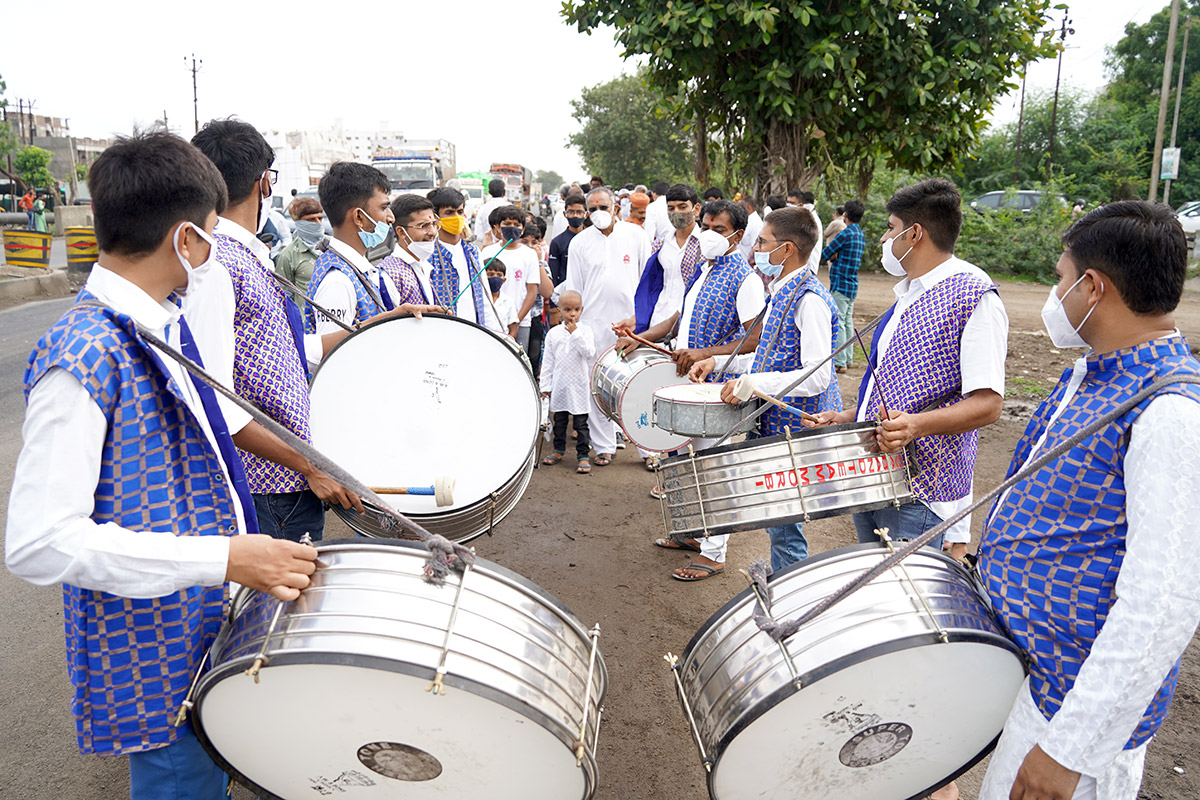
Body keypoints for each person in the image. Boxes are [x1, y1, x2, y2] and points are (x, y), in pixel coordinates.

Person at [5, 131, 320, 800]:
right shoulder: (84, 353)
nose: (214, 252)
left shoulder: (159, 325)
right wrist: (227, 558)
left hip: (199, 632)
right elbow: (38, 542)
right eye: (210, 235)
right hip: (154, 659)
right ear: (186, 241)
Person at [977, 200, 1200, 800]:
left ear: (1094, 287)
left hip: (1070, 707)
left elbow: (1162, 606)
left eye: (1060, 279)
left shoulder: (1170, 414)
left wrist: (1069, 751)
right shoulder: (1099, 373)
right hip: (1035, 673)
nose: (1056, 294)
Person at [806, 180, 1007, 566]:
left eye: (891, 228)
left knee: (904, 589)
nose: (885, 239)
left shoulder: (975, 296)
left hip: (920, 486)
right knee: (874, 582)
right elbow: (902, 383)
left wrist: (915, 426)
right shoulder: (910, 291)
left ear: (914, 234)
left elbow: (988, 404)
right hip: (875, 473)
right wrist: (850, 416)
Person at [190, 119, 362, 543]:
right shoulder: (217, 266)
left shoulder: (247, 256)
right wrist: (309, 466)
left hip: (288, 482)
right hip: (267, 487)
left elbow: (282, 352)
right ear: (264, 183)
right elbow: (214, 398)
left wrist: (376, 325)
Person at [687, 207, 840, 575]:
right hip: (773, 422)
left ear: (786, 250)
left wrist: (755, 385)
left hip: (796, 426)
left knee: (785, 523)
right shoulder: (781, 291)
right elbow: (767, 355)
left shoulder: (809, 300)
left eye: (762, 242)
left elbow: (817, 376)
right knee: (776, 518)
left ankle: (791, 594)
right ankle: (785, 587)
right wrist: (718, 363)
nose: (755, 249)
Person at [620, 198, 766, 510]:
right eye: (706, 227)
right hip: (687, 380)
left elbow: (755, 339)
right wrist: (640, 338)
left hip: (715, 390)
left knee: (710, 467)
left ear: (738, 235)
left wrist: (703, 353)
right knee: (684, 457)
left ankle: (716, 538)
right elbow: (678, 318)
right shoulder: (703, 269)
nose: (709, 234)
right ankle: (689, 523)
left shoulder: (746, 279)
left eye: (719, 229)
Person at [554, 186, 651, 465]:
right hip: (593, 324)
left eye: (603, 207)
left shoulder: (636, 235)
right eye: (593, 209)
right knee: (596, 386)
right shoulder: (580, 242)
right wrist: (573, 323)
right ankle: (603, 446)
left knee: (638, 384)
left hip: (631, 324)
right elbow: (574, 288)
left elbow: (647, 281)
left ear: (615, 207)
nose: (598, 213)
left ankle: (648, 450)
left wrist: (642, 320)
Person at [630, 183, 703, 469]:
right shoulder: (661, 242)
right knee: (656, 392)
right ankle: (658, 455)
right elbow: (651, 286)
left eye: (683, 207)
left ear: (696, 209)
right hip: (659, 323)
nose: (677, 213)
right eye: (671, 208)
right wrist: (638, 321)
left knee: (684, 395)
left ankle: (684, 463)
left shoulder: (704, 244)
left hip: (687, 327)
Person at [305, 162, 406, 334]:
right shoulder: (338, 283)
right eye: (384, 208)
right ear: (359, 217)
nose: (391, 217)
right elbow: (334, 348)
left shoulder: (354, 269)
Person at [540, 289, 596, 474]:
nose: (572, 314)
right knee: (560, 421)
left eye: (576, 309)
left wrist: (576, 333)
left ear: (582, 310)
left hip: (579, 385)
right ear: (559, 310)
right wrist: (545, 386)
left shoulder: (585, 331)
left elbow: (589, 353)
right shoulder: (553, 333)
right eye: (567, 309)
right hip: (560, 385)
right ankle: (558, 450)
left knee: (581, 423)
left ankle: (583, 455)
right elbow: (548, 362)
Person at [482, 205, 543, 352]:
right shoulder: (487, 252)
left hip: (522, 321)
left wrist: (516, 321)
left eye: (516, 224)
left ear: (522, 229)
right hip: (491, 320)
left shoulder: (529, 254)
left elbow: (531, 292)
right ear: (498, 227)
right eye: (507, 224)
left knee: (518, 358)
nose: (512, 227)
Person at [428, 186, 488, 325]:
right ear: (436, 217)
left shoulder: (473, 251)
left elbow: (485, 297)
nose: (457, 217)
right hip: (445, 328)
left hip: (475, 327)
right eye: (449, 212)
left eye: (460, 212)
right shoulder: (429, 255)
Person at [821, 199, 866, 374]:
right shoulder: (859, 234)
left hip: (840, 283)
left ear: (845, 215)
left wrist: (833, 256)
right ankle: (847, 359)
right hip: (852, 284)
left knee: (839, 322)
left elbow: (826, 253)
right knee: (847, 322)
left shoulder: (845, 234)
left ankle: (840, 362)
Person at [377, 194, 438, 306]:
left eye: (434, 224)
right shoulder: (390, 274)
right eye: (423, 226)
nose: (433, 232)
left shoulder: (424, 265)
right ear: (401, 232)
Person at [273, 196, 326, 306]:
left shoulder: (333, 247)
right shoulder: (288, 255)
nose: (317, 223)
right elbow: (284, 296)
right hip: (306, 316)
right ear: (298, 222)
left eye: (320, 218)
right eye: (311, 219)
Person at [548, 194, 587, 285]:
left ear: (586, 214)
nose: (575, 216)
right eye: (571, 212)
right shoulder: (557, 242)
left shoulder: (592, 240)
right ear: (565, 214)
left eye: (579, 212)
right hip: (565, 290)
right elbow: (554, 274)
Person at [482, 259, 519, 338]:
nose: (495, 278)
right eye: (490, 274)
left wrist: (507, 342)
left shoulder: (508, 301)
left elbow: (513, 327)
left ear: (504, 280)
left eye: (499, 275)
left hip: (501, 341)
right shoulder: (478, 300)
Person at [644, 180, 672, 244]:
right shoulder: (675, 204)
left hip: (663, 245)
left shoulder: (652, 207)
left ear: (653, 193)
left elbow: (649, 235)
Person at [739, 195, 764, 262]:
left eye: (740, 207)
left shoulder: (755, 224)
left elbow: (756, 248)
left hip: (748, 264)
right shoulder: (747, 220)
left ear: (748, 207)